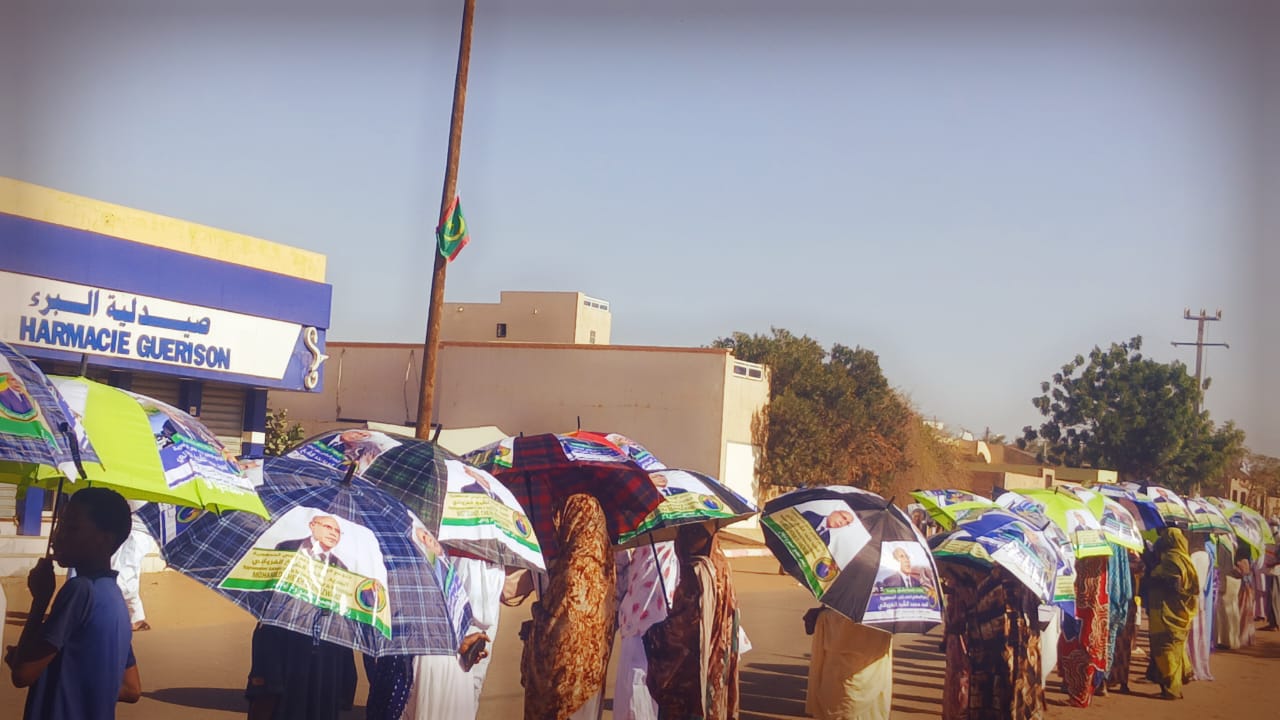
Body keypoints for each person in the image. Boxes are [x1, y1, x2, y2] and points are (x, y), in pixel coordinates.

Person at [6, 487, 142, 719]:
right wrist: (72, 683)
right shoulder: (114, 597)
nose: (58, 536)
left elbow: (23, 673)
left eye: (72, 528)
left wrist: (40, 600)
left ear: (105, 539)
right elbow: (131, 688)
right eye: (60, 525)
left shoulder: (80, 591)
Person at [521, 494, 616, 720]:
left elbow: (557, 625)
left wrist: (537, 616)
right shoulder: (603, 569)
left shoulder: (573, 572)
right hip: (591, 675)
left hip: (561, 682)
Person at [645, 524, 741, 719]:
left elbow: (682, 634)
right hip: (716, 668)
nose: (688, 538)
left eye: (696, 532)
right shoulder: (720, 564)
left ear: (710, 536)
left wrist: (656, 633)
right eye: (685, 531)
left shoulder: (694, 572)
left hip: (691, 681)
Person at [940, 564, 1044, 720]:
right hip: (1015, 650)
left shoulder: (994, 577)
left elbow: (983, 619)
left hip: (1003, 652)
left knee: (1003, 695)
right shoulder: (1029, 570)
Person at [613, 541, 679, 720]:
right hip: (646, 624)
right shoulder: (668, 545)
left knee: (636, 691)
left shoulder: (658, 548)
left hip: (643, 624)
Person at [247, 623, 351, 720]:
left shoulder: (275, 621)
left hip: (285, 708)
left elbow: (267, 687)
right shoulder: (339, 626)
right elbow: (348, 682)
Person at [804, 607, 892, 720]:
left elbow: (840, 623)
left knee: (837, 699)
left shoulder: (844, 602)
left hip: (839, 668)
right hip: (871, 668)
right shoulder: (884, 608)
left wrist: (822, 614)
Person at [1144, 527, 1198, 700]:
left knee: (1166, 648)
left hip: (1167, 612)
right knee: (1176, 647)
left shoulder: (1171, 560)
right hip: (1180, 613)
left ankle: (1172, 688)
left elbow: (1174, 584)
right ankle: (1177, 682)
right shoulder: (1185, 559)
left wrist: (1153, 575)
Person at [1057, 555, 1109, 707]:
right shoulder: (1102, 554)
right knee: (1083, 644)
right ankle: (1081, 693)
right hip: (1092, 604)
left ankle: (1080, 695)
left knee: (1081, 645)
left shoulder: (1091, 557)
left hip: (1083, 604)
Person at [111, 501, 154, 631]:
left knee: (126, 573)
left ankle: (133, 616)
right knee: (120, 569)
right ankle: (135, 616)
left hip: (139, 528)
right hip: (125, 524)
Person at [1096, 541, 1132, 696]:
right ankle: (1103, 680)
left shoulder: (1095, 540)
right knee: (1109, 642)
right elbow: (1126, 582)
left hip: (1098, 600)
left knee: (1096, 642)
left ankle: (1098, 681)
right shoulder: (1120, 544)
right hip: (1116, 601)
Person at [1105, 551, 1141, 694]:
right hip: (1127, 604)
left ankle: (1107, 679)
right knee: (1124, 645)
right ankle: (1121, 681)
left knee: (1111, 642)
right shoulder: (1133, 559)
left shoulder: (1108, 557)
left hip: (1111, 603)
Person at [1186, 531, 1216, 681]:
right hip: (1201, 597)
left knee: (1189, 634)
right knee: (1199, 635)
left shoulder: (1191, 556)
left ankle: (1189, 665)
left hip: (1190, 597)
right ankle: (1199, 664)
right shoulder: (1206, 555)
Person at [274, 514, 348, 570]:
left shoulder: (341, 567)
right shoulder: (287, 547)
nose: (333, 534)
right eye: (328, 527)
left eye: (337, 531)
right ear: (312, 525)